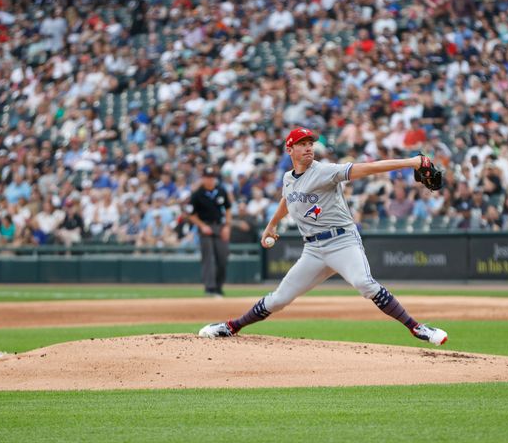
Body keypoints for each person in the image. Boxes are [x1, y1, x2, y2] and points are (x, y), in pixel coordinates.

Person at [199, 127, 448, 345]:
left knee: (364, 284)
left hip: (342, 242)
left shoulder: (324, 171)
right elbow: (288, 199)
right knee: (278, 300)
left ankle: (417, 328)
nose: (309, 148)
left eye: (310, 144)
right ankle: (232, 327)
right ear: (290, 149)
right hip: (313, 251)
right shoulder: (288, 178)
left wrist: (412, 162)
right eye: (302, 144)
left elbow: (367, 168)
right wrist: (272, 224)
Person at [188, 166, 232, 296]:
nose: (210, 180)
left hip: (220, 226)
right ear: (203, 178)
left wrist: (227, 226)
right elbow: (191, 214)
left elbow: (228, 208)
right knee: (208, 258)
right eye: (207, 177)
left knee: (223, 258)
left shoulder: (221, 191)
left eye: (212, 177)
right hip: (205, 227)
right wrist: (201, 225)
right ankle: (210, 288)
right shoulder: (197, 194)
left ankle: (219, 286)